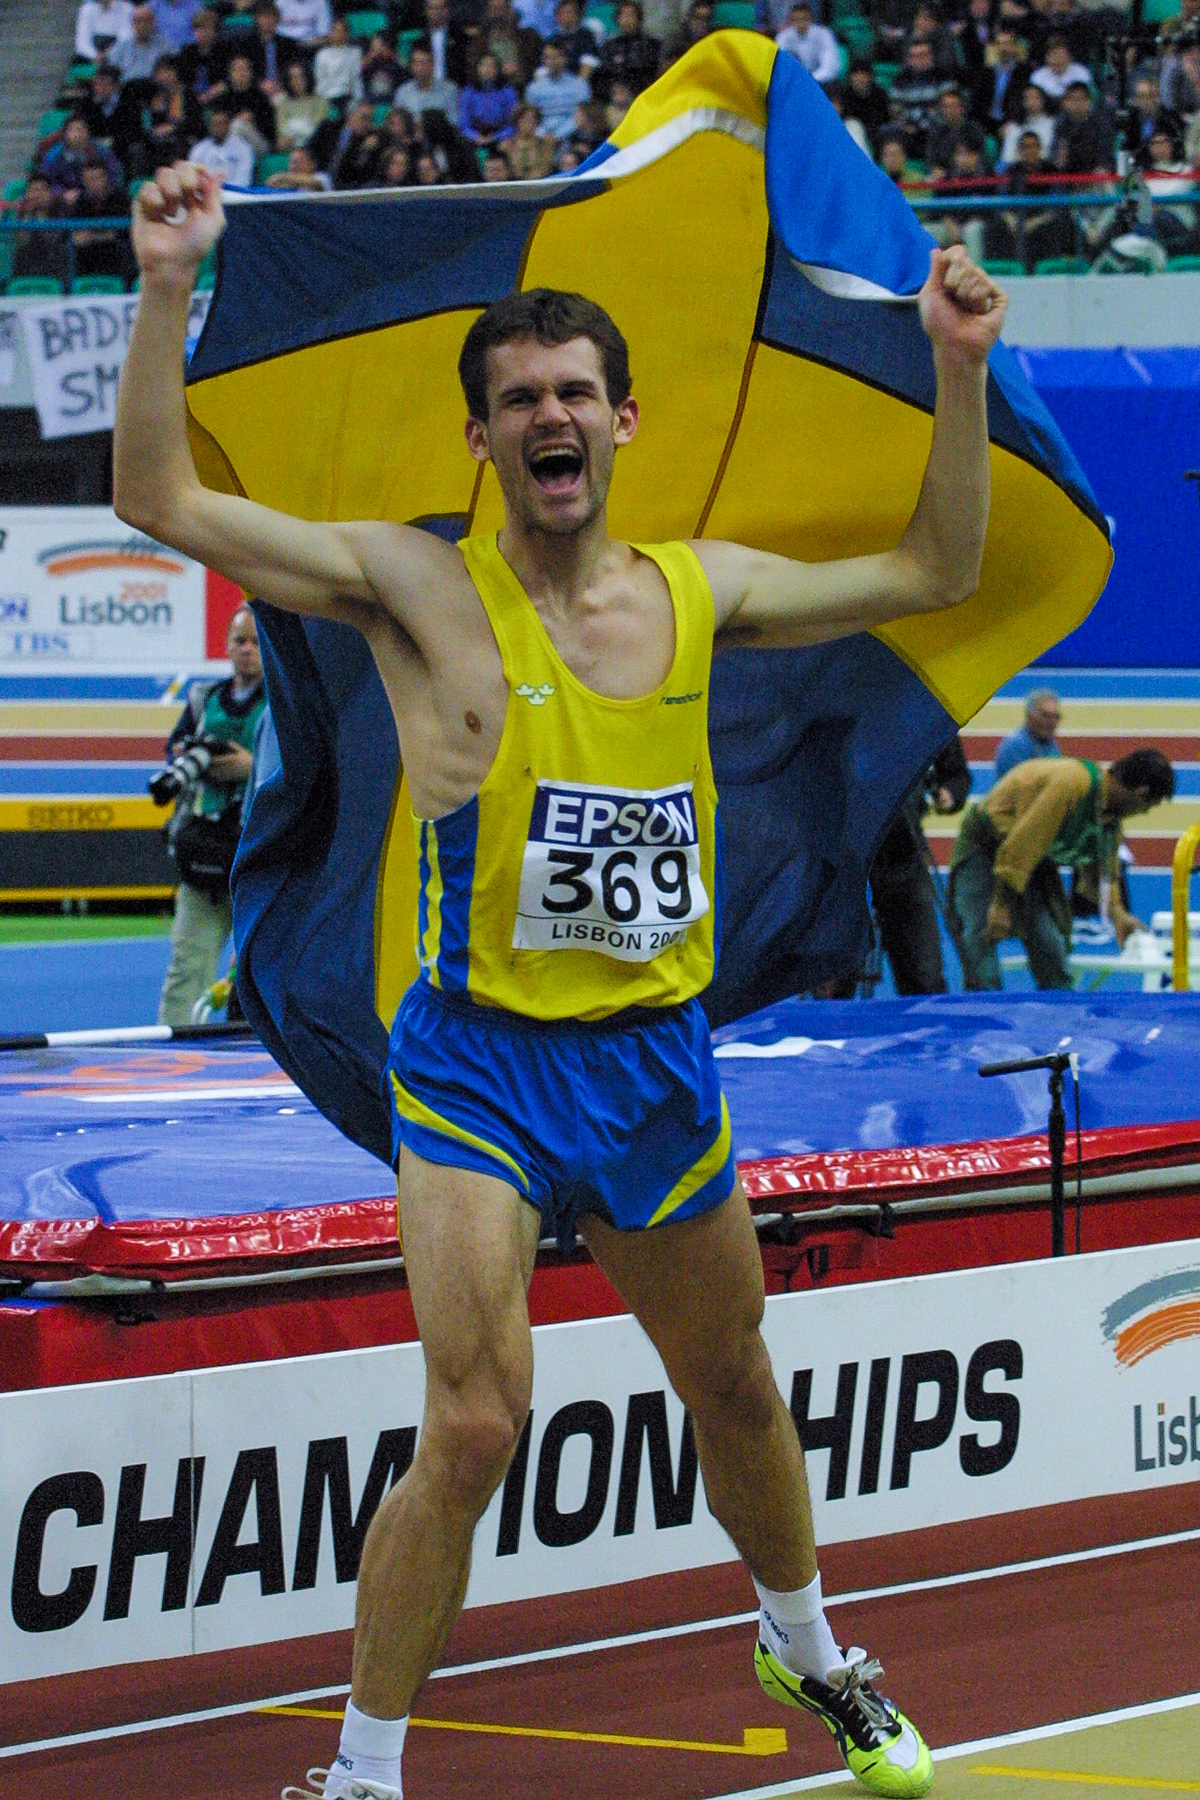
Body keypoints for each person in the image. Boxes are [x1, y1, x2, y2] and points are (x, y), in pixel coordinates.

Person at [114, 158, 1009, 1800]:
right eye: (518, 394)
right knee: (472, 1426)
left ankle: (804, 1638)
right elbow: (162, 503)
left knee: (735, 1380)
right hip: (476, 1066)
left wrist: (954, 372)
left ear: (624, 421)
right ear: (481, 436)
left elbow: (937, 569)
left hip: (654, 1065)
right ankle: (366, 1772)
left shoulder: (699, 592)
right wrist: (171, 280)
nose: (551, 414)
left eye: (576, 391)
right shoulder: (412, 587)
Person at [948, 747, 1174, 989]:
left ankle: (1058, 1017)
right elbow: (1022, 845)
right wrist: (1002, 904)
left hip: (1033, 860)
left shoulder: (1110, 819)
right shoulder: (1072, 784)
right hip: (985, 845)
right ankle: (984, 1011)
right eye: (1149, 805)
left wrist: (1118, 916)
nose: (1145, 812)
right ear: (1141, 792)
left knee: (1052, 946)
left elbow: (1103, 877)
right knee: (982, 935)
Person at [152, 605, 268, 1025]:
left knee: (258, 978)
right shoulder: (204, 698)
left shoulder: (286, 701)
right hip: (205, 851)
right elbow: (177, 752)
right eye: (240, 640)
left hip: (259, 859)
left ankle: (254, 1061)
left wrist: (249, 768)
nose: (248, 650)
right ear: (226, 645)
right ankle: (175, 1065)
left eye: (257, 641)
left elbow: (306, 768)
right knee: (186, 970)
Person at [524, 36, 590, 139]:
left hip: (572, 135)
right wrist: (543, 134)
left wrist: (557, 136)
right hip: (541, 136)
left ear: (565, 58)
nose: (551, 61)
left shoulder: (579, 84)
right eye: (547, 57)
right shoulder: (534, 88)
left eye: (555, 57)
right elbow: (530, 118)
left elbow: (581, 117)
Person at [995, 686, 1061, 776]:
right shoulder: (1015, 745)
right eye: (1045, 716)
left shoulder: (1050, 745)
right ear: (1029, 715)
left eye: (1055, 717)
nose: (1051, 722)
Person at [188, 100, 255, 185]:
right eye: (215, 124)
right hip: (207, 194)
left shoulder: (243, 148)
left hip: (235, 195)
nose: (218, 128)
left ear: (229, 124)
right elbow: (193, 178)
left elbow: (244, 180)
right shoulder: (199, 149)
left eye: (221, 123)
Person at [776, 1, 842, 85]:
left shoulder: (824, 34)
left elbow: (830, 67)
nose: (800, 23)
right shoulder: (782, 37)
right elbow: (781, 67)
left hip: (820, 82)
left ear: (811, 19)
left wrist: (809, 80)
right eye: (796, 20)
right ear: (790, 21)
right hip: (794, 83)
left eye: (804, 19)